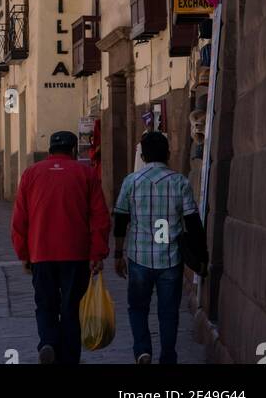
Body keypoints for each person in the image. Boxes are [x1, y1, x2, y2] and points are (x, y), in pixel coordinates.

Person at [11, 130, 111, 365]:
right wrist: (98, 253)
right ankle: (69, 358)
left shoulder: (31, 174)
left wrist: (23, 253)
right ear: (74, 149)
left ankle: (47, 342)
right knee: (71, 308)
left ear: (50, 151)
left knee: (45, 304)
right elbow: (100, 218)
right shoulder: (86, 173)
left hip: (40, 252)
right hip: (76, 253)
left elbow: (19, 219)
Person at [113, 130, 207, 366]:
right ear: (167, 154)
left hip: (138, 257)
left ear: (142, 156)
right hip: (171, 259)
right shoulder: (180, 182)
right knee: (168, 312)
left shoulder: (131, 182)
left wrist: (118, 253)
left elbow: (121, 219)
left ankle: (143, 350)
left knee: (137, 307)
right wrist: (202, 255)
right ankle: (168, 357)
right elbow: (193, 222)